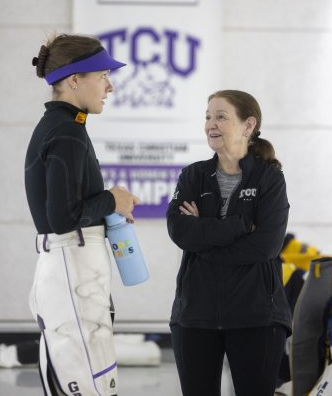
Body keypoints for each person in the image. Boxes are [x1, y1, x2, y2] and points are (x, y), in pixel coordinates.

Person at [25, 33, 140, 396]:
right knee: (94, 386)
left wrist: (109, 207)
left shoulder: (63, 127)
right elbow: (63, 218)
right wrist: (112, 200)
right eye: (102, 76)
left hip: (66, 268)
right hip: (71, 267)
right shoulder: (67, 132)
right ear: (75, 79)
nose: (110, 86)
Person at [167, 90, 292, 396]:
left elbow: (265, 247)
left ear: (248, 126)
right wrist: (236, 226)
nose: (211, 123)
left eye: (221, 116)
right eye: (208, 116)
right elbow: (179, 231)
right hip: (195, 316)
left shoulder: (269, 179)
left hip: (257, 317)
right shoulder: (193, 176)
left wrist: (203, 239)